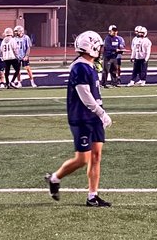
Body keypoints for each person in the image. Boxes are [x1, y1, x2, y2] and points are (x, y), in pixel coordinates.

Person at [46, 30, 112, 206]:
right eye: (97, 46)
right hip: (82, 118)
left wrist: (99, 113)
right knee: (83, 159)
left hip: (94, 116)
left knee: (97, 156)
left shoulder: (89, 65)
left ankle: (92, 196)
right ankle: (54, 178)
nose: (100, 50)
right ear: (91, 47)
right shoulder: (79, 67)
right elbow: (85, 96)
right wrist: (101, 113)